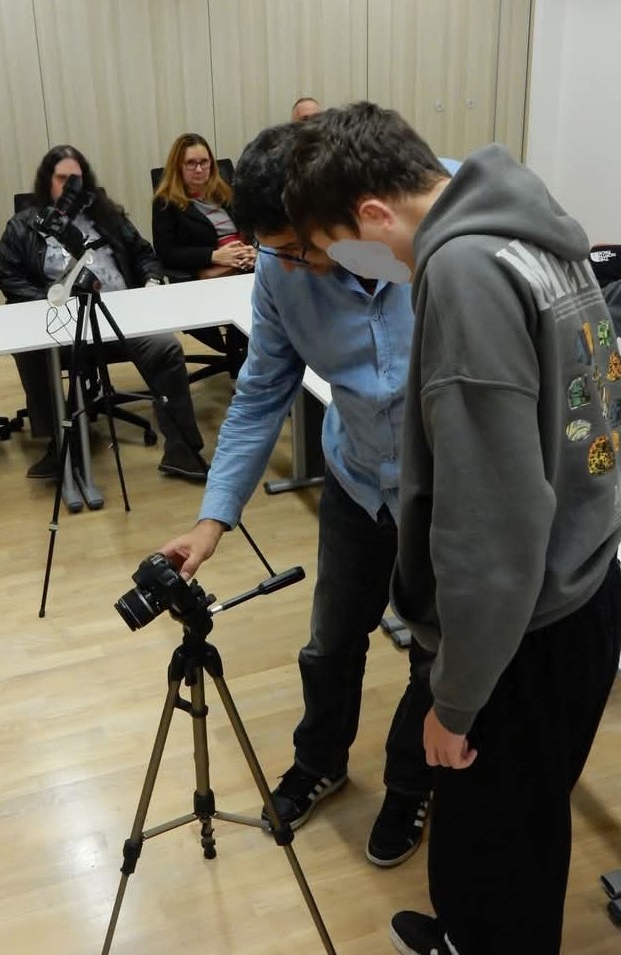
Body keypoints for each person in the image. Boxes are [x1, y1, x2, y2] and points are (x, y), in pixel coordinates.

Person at [283, 102, 621, 955]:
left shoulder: (461, 270)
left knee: (497, 841)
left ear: (372, 215)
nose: (353, 267)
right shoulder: (524, 220)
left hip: (524, 625)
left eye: (339, 248)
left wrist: (455, 697)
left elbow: (491, 526)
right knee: (520, 824)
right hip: (583, 578)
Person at [159, 122, 459, 867]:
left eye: (302, 245)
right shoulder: (280, 267)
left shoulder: (444, 225)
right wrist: (212, 519)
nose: (299, 264)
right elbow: (261, 392)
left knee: (434, 657)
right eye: (281, 251)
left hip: (447, 496)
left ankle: (408, 785)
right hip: (357, 483)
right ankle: (320, 760)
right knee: (330, 643)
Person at [0, 144, 206, 481]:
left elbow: (143, 253)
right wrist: (48, 301)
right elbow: (6, 275)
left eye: (76, 179)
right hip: (62, 321)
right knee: (31, 350)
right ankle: (61, 446)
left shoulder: (107, 216)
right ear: (47, 181)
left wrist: (151, 281)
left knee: (166, 347)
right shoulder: (24, 225)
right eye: (62, 179)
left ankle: (182, 451)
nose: (70, 186)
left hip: (121, 315)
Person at [152, 133, 256, 280]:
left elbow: (251, 227)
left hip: (246, 266)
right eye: (191, 163)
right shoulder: (166, 202)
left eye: (204, 162)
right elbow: (166, 253)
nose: (199, 169)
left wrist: (252, 251)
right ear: (178, 167)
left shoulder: (225, 192)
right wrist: (213, 256)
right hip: (211, 274)